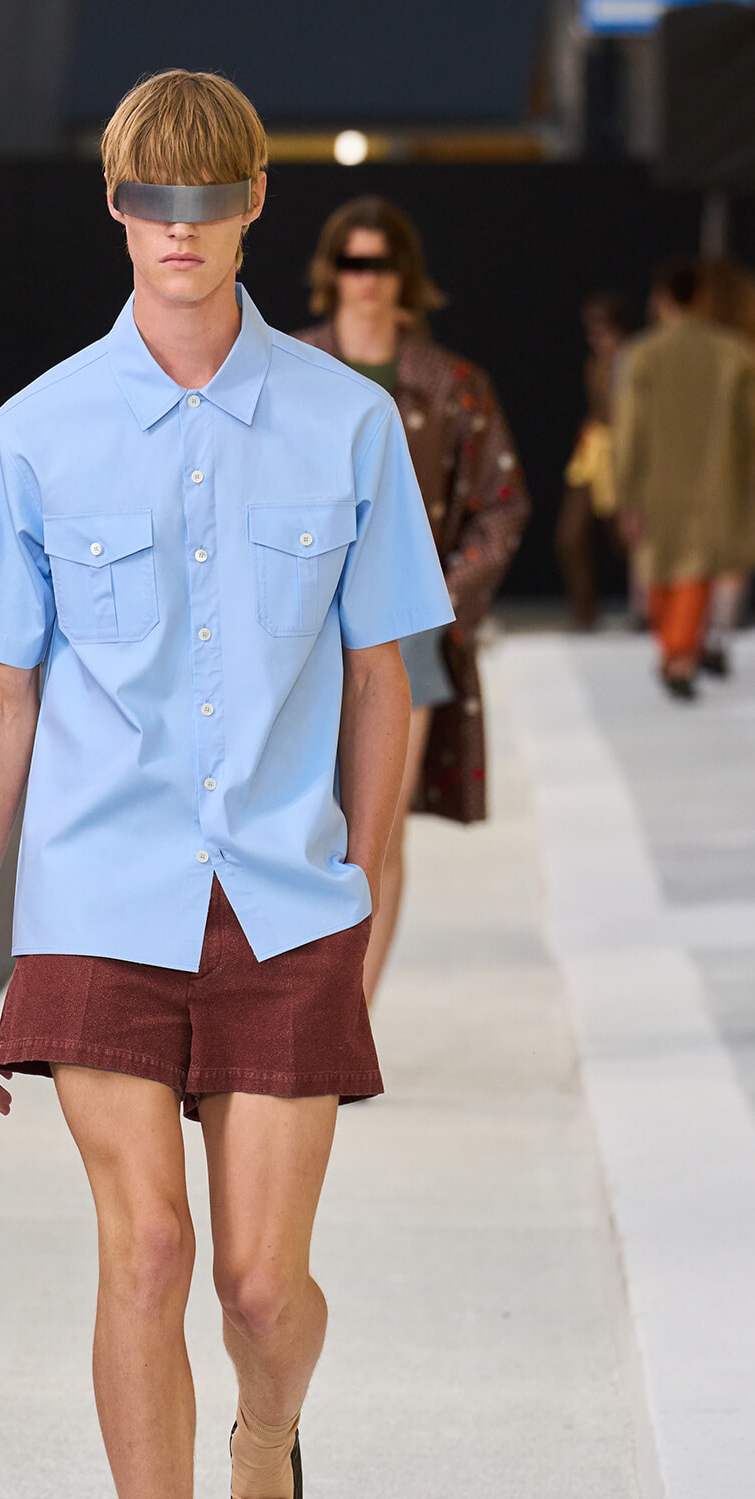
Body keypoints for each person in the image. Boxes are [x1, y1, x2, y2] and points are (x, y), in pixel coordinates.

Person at [0, 72, 452, 1499]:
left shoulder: (345, 424)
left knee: (255, 1289)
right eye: (150, 209)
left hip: (287, 895)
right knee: (146, 1246)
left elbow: (391, 677)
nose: (177, 237)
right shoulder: (40, 432)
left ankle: (264, 1447)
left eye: (205, 208)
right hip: (97, 891)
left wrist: (363, 887)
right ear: (113, 212)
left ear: (250, 209)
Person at [294, 196, 528, 1002]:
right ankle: (292, 1001)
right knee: (290, 821)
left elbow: (502, 506)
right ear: (330, 273)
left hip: (408, 628)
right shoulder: (283, 367)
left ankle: (346, 1015)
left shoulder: (453, 385)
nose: (367, 281)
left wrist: (434, 596)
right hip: (291, 626)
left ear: (406, 278)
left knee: (376, 825)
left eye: (381, 265)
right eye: (353, 263)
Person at [613, 256, 755, 699]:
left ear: (663, 299)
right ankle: (678, 655)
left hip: (655, 485)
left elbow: (629, 431)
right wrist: (753, 474)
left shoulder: (641, 356)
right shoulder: (734, 352)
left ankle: (677, 656)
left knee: (665, 572)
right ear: (700, 297)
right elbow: (750, 425)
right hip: (714, 480)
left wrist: (625, 493)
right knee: (693, 571)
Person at [693, 256, 755, 677]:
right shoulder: (745, 344)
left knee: (702, 549)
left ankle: (701, 632)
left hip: (701, 453)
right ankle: (718, 633)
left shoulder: (701, 346)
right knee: (732, 550)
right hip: (735, 456)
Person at [555, 292, 630, 632]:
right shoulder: (594, 363)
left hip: (626, 456)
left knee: (628, 536)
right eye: (591, 328)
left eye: (603, 327)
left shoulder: (633, 361)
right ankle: (585, 613)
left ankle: (656, 612)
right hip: (595, 453)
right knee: (570, 535)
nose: (597, 335)